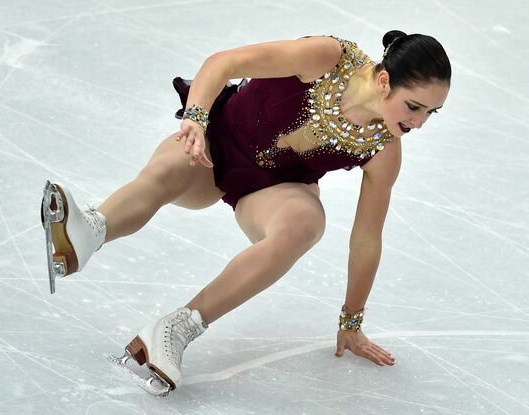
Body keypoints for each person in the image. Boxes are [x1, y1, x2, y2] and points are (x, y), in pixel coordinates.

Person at [41, 30, 451, 396]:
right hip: (214, 147)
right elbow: (224, 63)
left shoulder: (385, 149)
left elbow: (366, 238)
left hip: (273, 190)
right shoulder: (329, 57)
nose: (419, 123)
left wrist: (352, 320)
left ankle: (175, 331)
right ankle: (88, 232)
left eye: (431, 113)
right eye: (415, 107)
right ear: (384, 81)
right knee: (172, 166)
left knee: (306, 224)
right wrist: (196, 120)